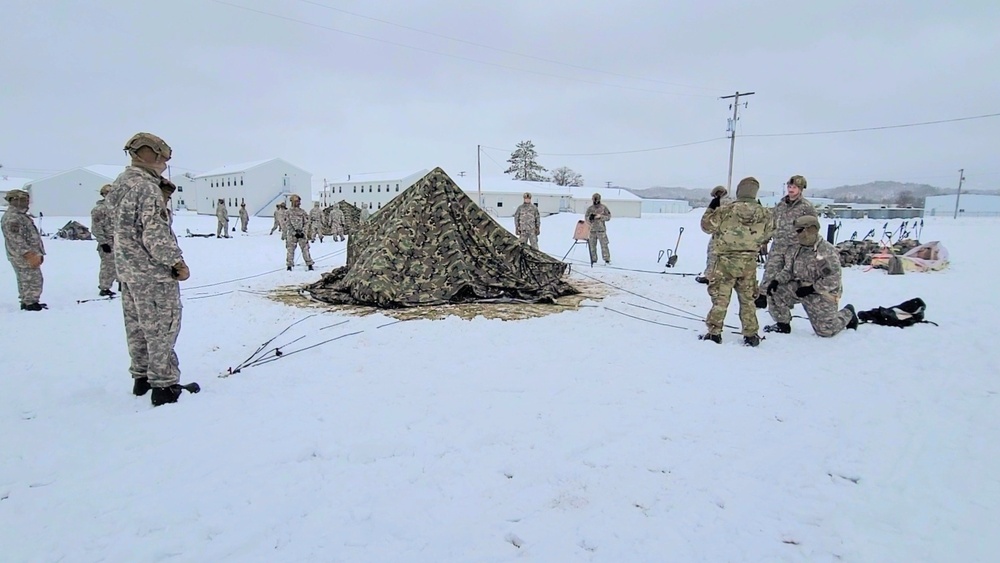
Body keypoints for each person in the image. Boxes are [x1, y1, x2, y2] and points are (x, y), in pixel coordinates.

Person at [107, 132, 198, 406]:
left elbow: (128, 226)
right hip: (153, 273)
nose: (165, 164)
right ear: (152, 155)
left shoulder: (121, 185)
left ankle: (142, 378)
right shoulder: (146, 188)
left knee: (137, 328)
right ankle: (165, 385)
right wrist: (176, 262)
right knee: (161, 328)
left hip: (129, 272)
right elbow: (154, 232)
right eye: (163, 159)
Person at [699, 177, 773, 346]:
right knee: (748, 300)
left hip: (725, 262)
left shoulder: (727, 210)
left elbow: (706, 226)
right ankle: (751, 334)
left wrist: (712, 207)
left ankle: (714, 332)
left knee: (720, 299)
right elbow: (768, 235)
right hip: (748, 263)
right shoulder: (766, 213)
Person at [762, 215, 858, 337]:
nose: (796, 235)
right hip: (799, 287)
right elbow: (789, 270)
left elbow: (833, 279)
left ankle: (848, 313)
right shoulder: (796, 248)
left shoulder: (825, 252)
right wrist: (777, 280)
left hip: (821, 292)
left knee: (825, 331)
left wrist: (811, 289)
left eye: (798, 231)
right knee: (775, 291)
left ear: (810, 230)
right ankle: (783, 324)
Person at [761, 175, 817, 295]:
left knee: (793, 274)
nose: (791, 189)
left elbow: (813, 228)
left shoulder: (806, 207)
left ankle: (789, 297)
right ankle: (764, 295)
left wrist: (809, 246)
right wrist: (765, 240)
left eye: (794, 187)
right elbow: (772, 224)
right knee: (770, 271)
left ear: (801, 189)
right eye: (789, 186)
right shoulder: (781, 205)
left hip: (795, 247)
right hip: (778, 245)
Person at [2, 189, 46, 310]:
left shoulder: (21, 216)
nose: (27, 203)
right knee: (29, 279)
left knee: (30, 278)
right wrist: (29, 254)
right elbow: (16, 239)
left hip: (28, 253)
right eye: (24, 200)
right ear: (15, 200)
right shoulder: (13, 218)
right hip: (23, 255)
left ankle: (30, 300)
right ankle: (30, 302)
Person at [696, 185, 729, 284]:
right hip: (733, 235)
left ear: (717, 193)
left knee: (712, 253)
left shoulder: (718, 202)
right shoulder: (734, 201)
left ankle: (709, 276)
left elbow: (708, 222)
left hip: (720, 233)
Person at [91, 184, 117, 297]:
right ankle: (105, 287)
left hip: (119, 241)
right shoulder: (99, 210)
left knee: (122, 264)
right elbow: (96, 228)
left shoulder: (117, 208)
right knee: (108, 266)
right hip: (108, 242)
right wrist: (103, 242)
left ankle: (123, 283)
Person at [284, 194, 314, 271]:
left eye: (299, 201)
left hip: (302, 234)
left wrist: (303, 232)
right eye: (296, 201)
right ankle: (289, 265)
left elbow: (306, 222)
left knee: (305, 249)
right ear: (292, 202)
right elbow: (287, 223)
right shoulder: (288, 212)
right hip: (292, 235)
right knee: (290, 250)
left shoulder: (302, 212)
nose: (298, 203)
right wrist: (294, 232)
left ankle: (309, 264)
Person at [585, 192, 611, 265]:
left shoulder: (603, 208)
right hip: (592, 230)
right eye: (594, 199)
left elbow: (608, 217)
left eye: (597, 199)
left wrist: (600, 217)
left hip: (601, 230)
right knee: (592, 246)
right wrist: (590, 218)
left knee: (604, 245)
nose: (595, 201)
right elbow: (586, 218)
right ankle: (593, 259)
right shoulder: (590, 209)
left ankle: (607, 259)